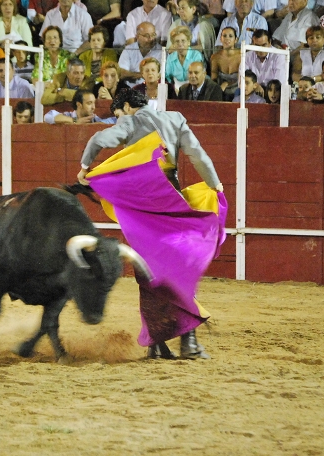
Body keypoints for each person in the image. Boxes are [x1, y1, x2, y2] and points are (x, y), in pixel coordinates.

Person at [77, 88, 224, 360]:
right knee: (179, 269)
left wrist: (85, 168)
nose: (119, 119)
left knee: (149, 274)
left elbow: (99, 138)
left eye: (118, 114)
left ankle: (161, 342)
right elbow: (199, 156)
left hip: (144, 208)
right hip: (173, 201)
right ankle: (185, 341)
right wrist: (216, 185)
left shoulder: (130, 122)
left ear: (129, 107)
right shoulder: (175, 118)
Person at [44, 88, 116, 123]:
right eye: (89, 103)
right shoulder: (68, 116)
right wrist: (75, 121)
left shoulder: (95, 119)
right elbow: (48, 117)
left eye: (94, 103)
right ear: (79, 105)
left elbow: (114, 120)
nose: (93, 107)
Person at [210, 25, 240, 101]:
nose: (227, 38)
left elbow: (243, 78)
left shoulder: (242, 56)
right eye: (224, 36)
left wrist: (227, 83)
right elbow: (214, 78)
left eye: (230, 36)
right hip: (221, 89)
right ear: (221, 39)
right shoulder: (215, 57)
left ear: (236, 40)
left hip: (239, 88)